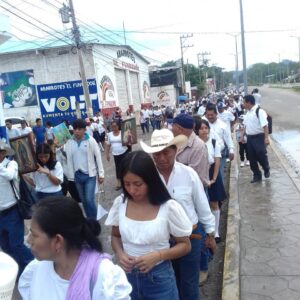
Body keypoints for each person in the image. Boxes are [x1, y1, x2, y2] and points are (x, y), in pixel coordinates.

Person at [105, 151, 192, 300]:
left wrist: (158, 255)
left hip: (159, 279)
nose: (132, 190)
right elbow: (115, 236)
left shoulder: (168, 207)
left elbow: (185, 245)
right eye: (127, 184)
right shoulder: (121, 203)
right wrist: (120, 254)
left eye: (138, 184)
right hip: (127, 276)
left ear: (150, 180)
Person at [140, 130, 216, 300]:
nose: (161, 158)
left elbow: (202, 206)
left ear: (175, 150)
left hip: (191, 236)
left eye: (165, 152)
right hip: (160, 241)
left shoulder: (189, 174)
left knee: (189, 285)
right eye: (156, 154)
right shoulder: (147, 179)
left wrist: (210, 233)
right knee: (166, 284)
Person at [18, 196, 132, 299]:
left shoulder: (104, 278)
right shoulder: (36, 269)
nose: (28, 240)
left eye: (33, 234)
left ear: (58, 240)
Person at [0, 141, 33, 276]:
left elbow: (10, 175)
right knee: (6, 247)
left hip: (12, 211)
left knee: (17, 245)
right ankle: (17, 271)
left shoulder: (11, 164)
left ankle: (33, 266)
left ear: (3, 153)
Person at [64, 119, 104, 219]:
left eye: (79, 129)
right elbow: (67, 157)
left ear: (84, 130)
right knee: (83, 200)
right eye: (75, 129)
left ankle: (94, 222)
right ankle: (90, 220)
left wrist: (101, 174)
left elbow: (98, 156)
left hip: (89, 175)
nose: (76, 131)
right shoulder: (69, 142)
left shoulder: (90, 140)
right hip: (77, 176)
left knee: (89, 199)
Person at [196, 119, 226, 243]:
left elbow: (217, 161)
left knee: (214, 203)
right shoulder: (195, 144)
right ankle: (206, 231)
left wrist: (213, 178)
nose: (204, 131)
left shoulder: (214, 143)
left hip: (212, 173)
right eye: (201, 128)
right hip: (200, 175)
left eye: (206, 128)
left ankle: (216, 231)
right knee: (202, 204)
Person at [172, 113, 210, 186]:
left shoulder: (198, 147)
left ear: (179, 129)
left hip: (192, 191)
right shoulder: (176, 140)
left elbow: (195, 177)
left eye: (172, 126)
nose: (171, 129)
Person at [242, 94, 270, 183]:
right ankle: (257, 175)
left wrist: (266, 138)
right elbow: (244, 126)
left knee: (261, 153)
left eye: (244, 102)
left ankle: (266, 168)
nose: (243, 104)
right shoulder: (247, 113)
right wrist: (242, 136)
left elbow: (265, 125)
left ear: (249, 102)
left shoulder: (259, 111)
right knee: (251, 157)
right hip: (250, 138)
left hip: (259, 137)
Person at [204, 104, 234, 180]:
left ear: (216, 114)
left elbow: (228, 138)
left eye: (212, 115)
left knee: (219, 175)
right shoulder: (202, 124)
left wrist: (231, 150)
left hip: (221, 154)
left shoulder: (223, 125)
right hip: (206, 154)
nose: (210, 117)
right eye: (208, 115)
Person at [105, 121, 130, 190]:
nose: (114, 128)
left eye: (115, 126)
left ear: (118, 126)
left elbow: (128, 143)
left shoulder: (123, 133)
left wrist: (129, 138)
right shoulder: (109, 134)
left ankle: (127, 181)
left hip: (124, 152)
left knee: (125, 167)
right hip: (115, 154)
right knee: (118, 168)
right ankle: (119, 182)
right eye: (112, 126)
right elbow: (108, 145)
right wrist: (107, 154)